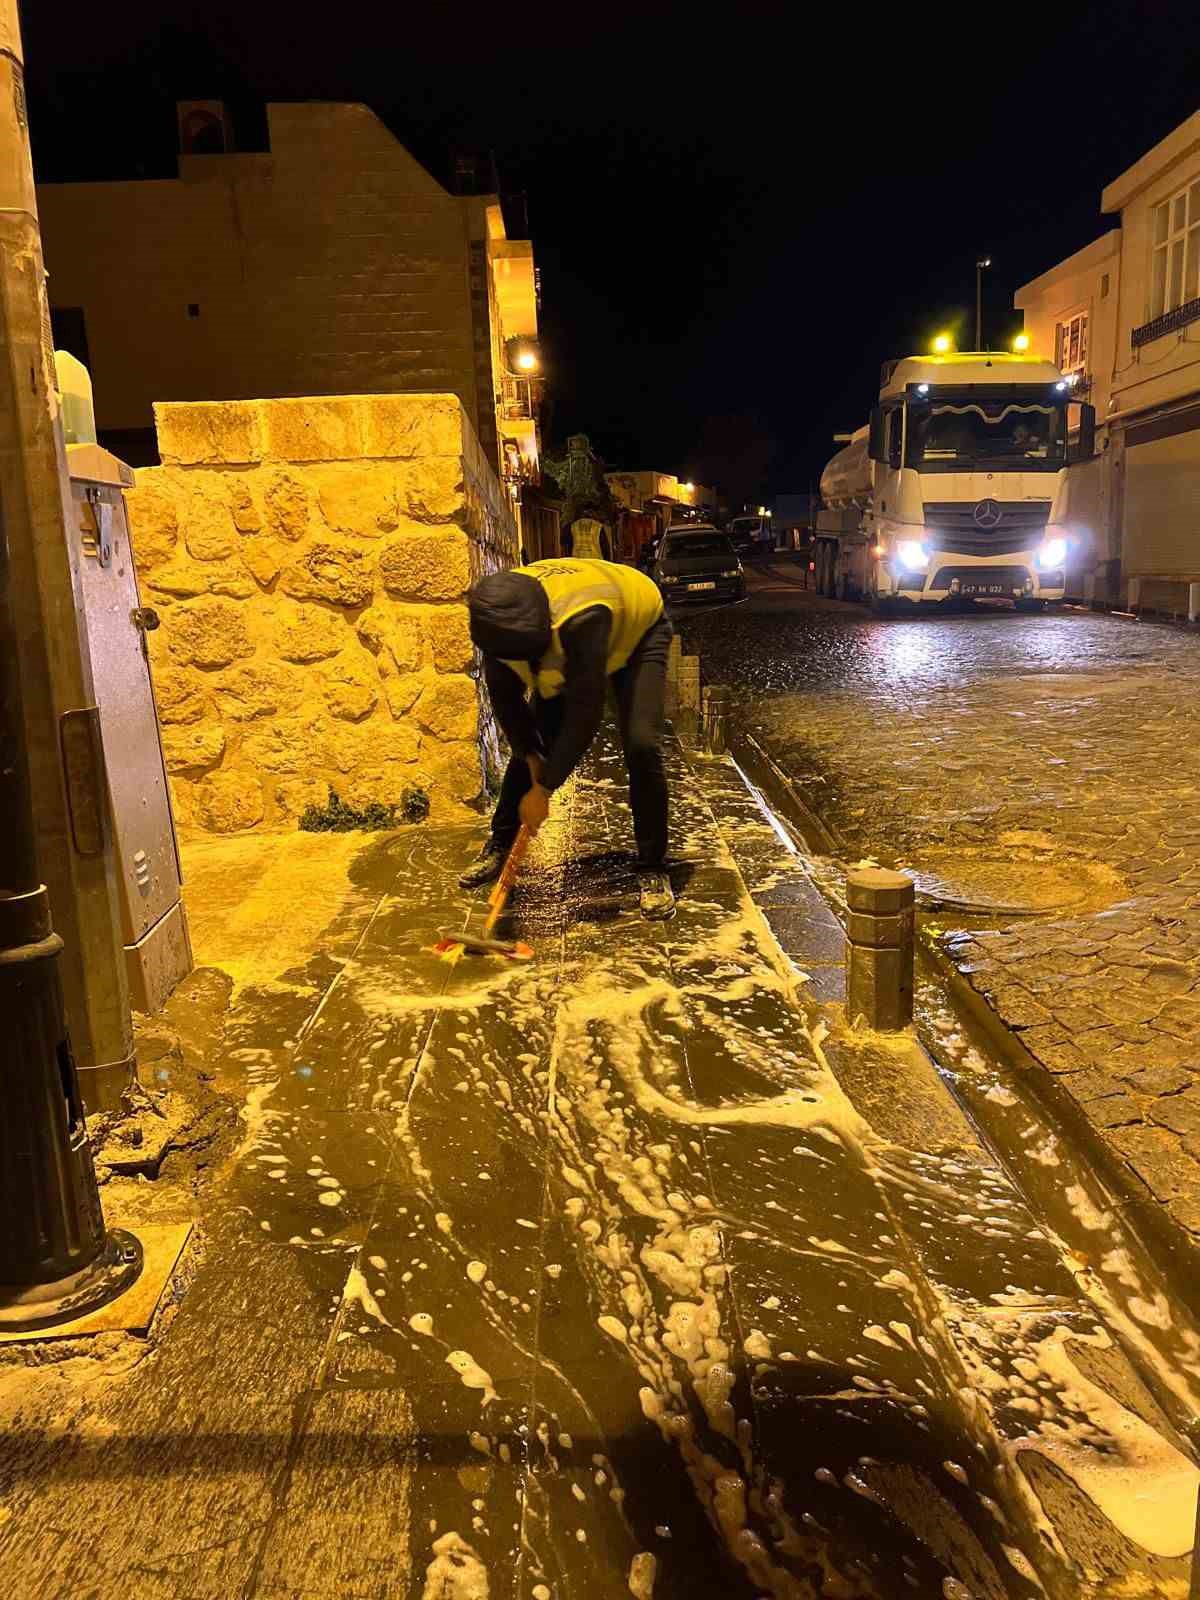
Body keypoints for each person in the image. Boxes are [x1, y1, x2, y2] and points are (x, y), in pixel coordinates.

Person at [460, 557, 675, 918]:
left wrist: (543, 791)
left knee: (642, 743)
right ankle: (500, 844)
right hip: (563, 644)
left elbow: (584, 715)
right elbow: (507, 702)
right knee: (532, 740)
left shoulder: (582, 618)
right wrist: (530, 757)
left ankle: (652, 866)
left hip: (638, 631)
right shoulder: (495, 618)